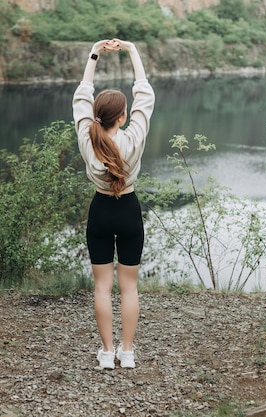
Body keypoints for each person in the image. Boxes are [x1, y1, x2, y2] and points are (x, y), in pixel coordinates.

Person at [72, 39, 155, 369]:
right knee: (129, 287)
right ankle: (128, 351)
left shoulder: (86, 137)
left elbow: (82, 94)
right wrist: (132, 50)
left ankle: (107, 353)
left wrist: (95, 52)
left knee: (102, 287)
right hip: (129, 209)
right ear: (122, 117)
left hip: (101, 211)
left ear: (96, 116)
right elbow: (145, 96)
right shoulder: (134, 138)